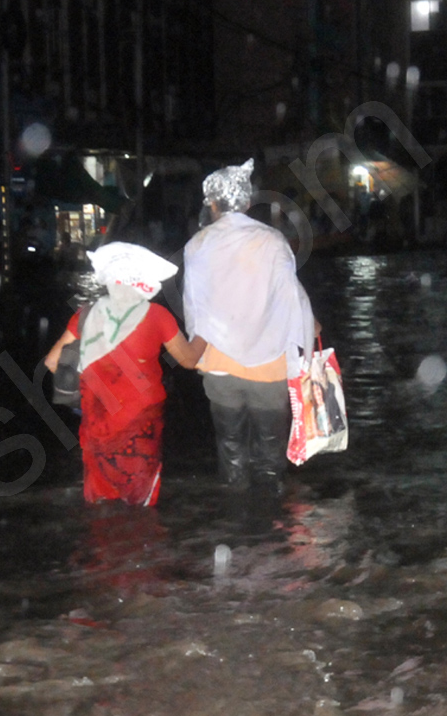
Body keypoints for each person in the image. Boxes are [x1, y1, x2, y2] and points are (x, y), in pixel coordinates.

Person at [183, 158, 317, 494]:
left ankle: (235, 524)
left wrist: (194, 356)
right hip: (270, 364)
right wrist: (308, 332)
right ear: (245, 202)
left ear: (212, 204)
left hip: (219, 363)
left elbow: (194, 308)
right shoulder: (272, 240)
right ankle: (271, 531)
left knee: (231, 450)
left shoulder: (197, 245)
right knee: (270, 454)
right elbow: (291, 295)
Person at [44, 242, 206, 507]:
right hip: (141, 422)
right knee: (139, 502)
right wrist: (204, 336)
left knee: (102, 503)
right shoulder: (157, 315)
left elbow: (53, 361)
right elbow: (188, 360)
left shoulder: (86, 315)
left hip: (97, 421)